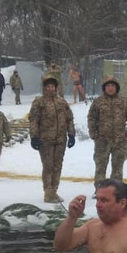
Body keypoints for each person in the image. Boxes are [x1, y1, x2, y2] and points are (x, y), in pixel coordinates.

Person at [29, 74, 75, 203]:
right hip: (46, 140)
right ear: (44, 88)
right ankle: (48, 192)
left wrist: (71, 134)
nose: (50, 89)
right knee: (48, 166)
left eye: (52, 86)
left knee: (57, 166)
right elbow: (33, 120)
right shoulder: (39, 102)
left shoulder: (62, 102)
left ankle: (54, 190)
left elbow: (69, 119)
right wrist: (34, 136)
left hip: (60, 140)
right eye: (48, 86)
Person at [87, 76, 127, 191]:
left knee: (118, 167)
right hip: (102, 141)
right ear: (104, 88)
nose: (110, 88)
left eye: (113, 86)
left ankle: (116, 191)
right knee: (100, 166)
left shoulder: (124, 102)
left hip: (120, 141)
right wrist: (93, 134)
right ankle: (100, 190)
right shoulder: (98, 102)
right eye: (108, 86)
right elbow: (92, 118)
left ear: (116, 87)